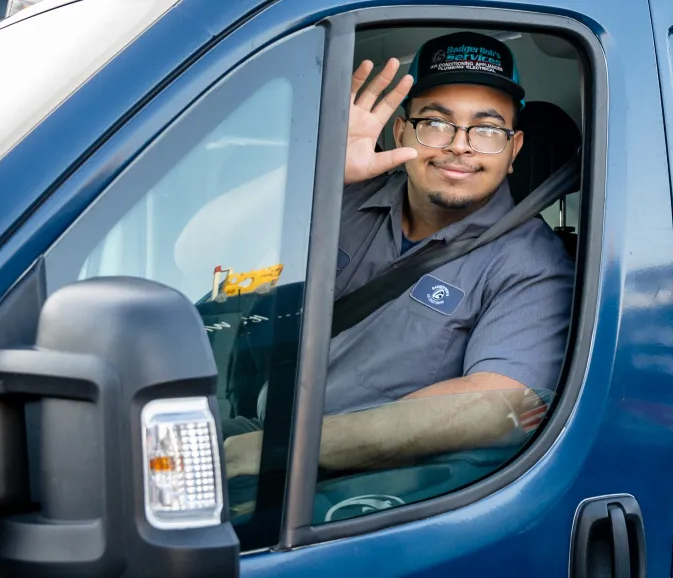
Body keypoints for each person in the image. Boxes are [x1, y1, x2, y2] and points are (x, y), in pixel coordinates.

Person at [222, 31, 574, 481]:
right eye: (436, 123)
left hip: (365, 478)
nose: (459, 145)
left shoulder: (531, 264)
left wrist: (289, 449)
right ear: (401, 131)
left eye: (487, 130)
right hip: (259, 429)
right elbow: (192, 251)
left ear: (513, 150)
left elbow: (495, 404)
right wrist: (317, 170)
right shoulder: (346, 196)